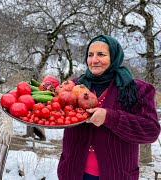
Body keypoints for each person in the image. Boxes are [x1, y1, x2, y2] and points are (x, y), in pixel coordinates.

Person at [57, 35, 161, 180]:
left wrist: (110, 117)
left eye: (101, 54)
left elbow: (150, 130)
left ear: (114, 57)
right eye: (90, 55)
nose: (94, 60)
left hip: (116, 174)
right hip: (73, 172)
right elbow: (55, 113)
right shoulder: (74, 86)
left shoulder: (137, 89)